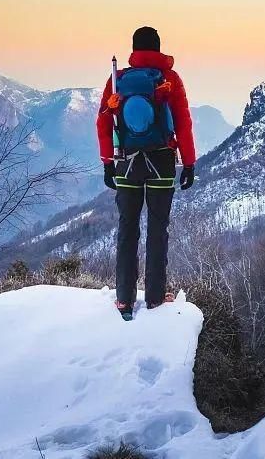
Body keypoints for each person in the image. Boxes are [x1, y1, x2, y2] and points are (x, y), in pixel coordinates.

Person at [96, 26, 196, 318]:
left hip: (126, 162)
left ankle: (124, 299)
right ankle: (154, 298)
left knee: (127, 230)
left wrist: (107, 162)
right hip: (162, 162)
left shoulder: (119, 79)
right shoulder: (170, 79)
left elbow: (103, 122)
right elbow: (183, 122)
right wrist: (188, 162)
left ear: (134, 49)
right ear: (159, 47)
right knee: (157, 229)